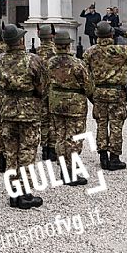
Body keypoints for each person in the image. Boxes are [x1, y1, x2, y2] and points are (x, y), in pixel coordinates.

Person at [0, 25, 47, 210]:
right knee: (27, 153)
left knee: (11, 154)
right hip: (29, 112)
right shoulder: (33, 60)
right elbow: (42, 87)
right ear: (21, 40)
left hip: (7, 110)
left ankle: (13, 193)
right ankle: (24, 194)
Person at [83, 20, 127, 170]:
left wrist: (90, 93)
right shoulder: (121, 51)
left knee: (101, 123)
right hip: (117, 93)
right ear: (112, 34)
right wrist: (126, 32)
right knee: (116, 124)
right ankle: (114, 158)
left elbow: (85, 75)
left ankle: (103, 157)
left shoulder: (90, 52)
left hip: (99, 92)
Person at [47, 31, 93, 185]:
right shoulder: (77, 63)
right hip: (75, 106)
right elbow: (89, 86)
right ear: (68, 45)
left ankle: (63, 169)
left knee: (60, 137)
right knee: (74, 138)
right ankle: (71, 172)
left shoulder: (49, 63)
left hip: (56, 104)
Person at [36, 24, 57, 161]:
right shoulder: (56, 52)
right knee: (54, 120)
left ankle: (44, 148)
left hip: (40, 90)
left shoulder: (35, 53)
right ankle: (52, 147)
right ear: (52, 36)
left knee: (43, 120)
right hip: (54, 90)